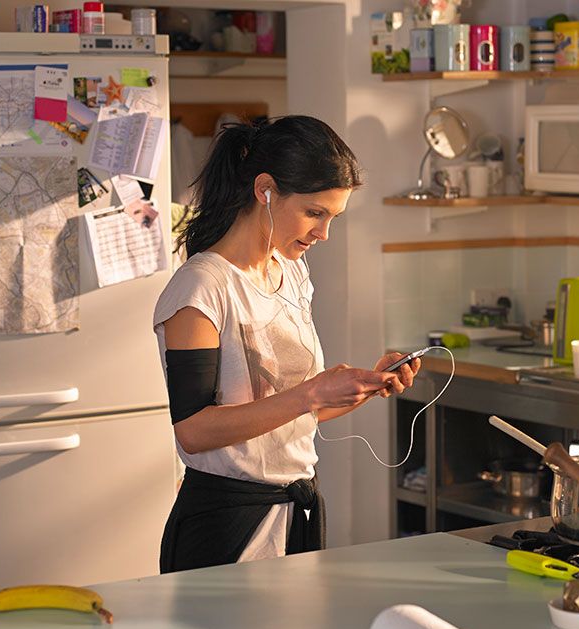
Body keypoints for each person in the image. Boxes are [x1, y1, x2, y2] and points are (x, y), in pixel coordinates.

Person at [153, 115, 421, 573]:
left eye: (332, 217)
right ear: (266, 190)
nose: (324, 233)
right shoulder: (200, 290)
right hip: (227, 526)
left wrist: (365, 386)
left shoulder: (291, 272)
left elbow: (294, 412)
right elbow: (193, 432)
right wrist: (312, 393)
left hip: (294, 510)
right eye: (315, 213)